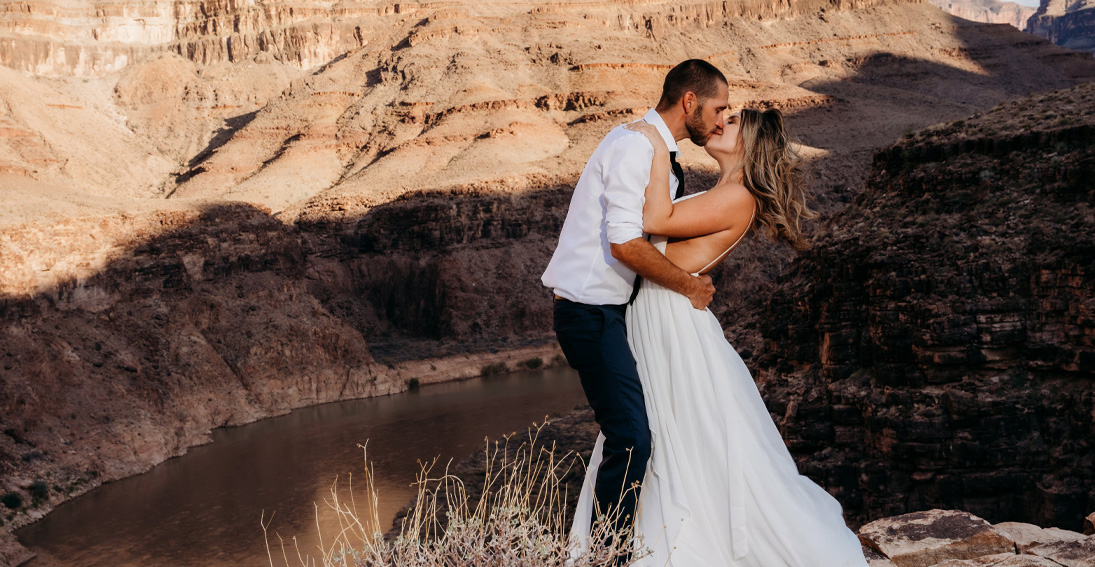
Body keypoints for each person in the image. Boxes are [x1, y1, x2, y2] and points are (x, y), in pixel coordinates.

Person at [569, 108, 871, 567]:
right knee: (658, 432)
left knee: (680, 434)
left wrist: (652, 143)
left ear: (747, 145)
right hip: (656, 313)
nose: (718, 124)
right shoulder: (724, 191)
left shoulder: (738, 196)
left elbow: (654, 219)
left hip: (669, 319)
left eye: (730, 124)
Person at [541, 59, 728, 548]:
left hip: (613, 314)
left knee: (639, 431)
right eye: (718, 108)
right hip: (589, 313)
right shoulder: (633, 146)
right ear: (690, 101)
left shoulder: (650, 144)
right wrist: (688, 285)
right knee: (630, 436)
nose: (721, 119)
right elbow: (624, 242)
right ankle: (609, 555)